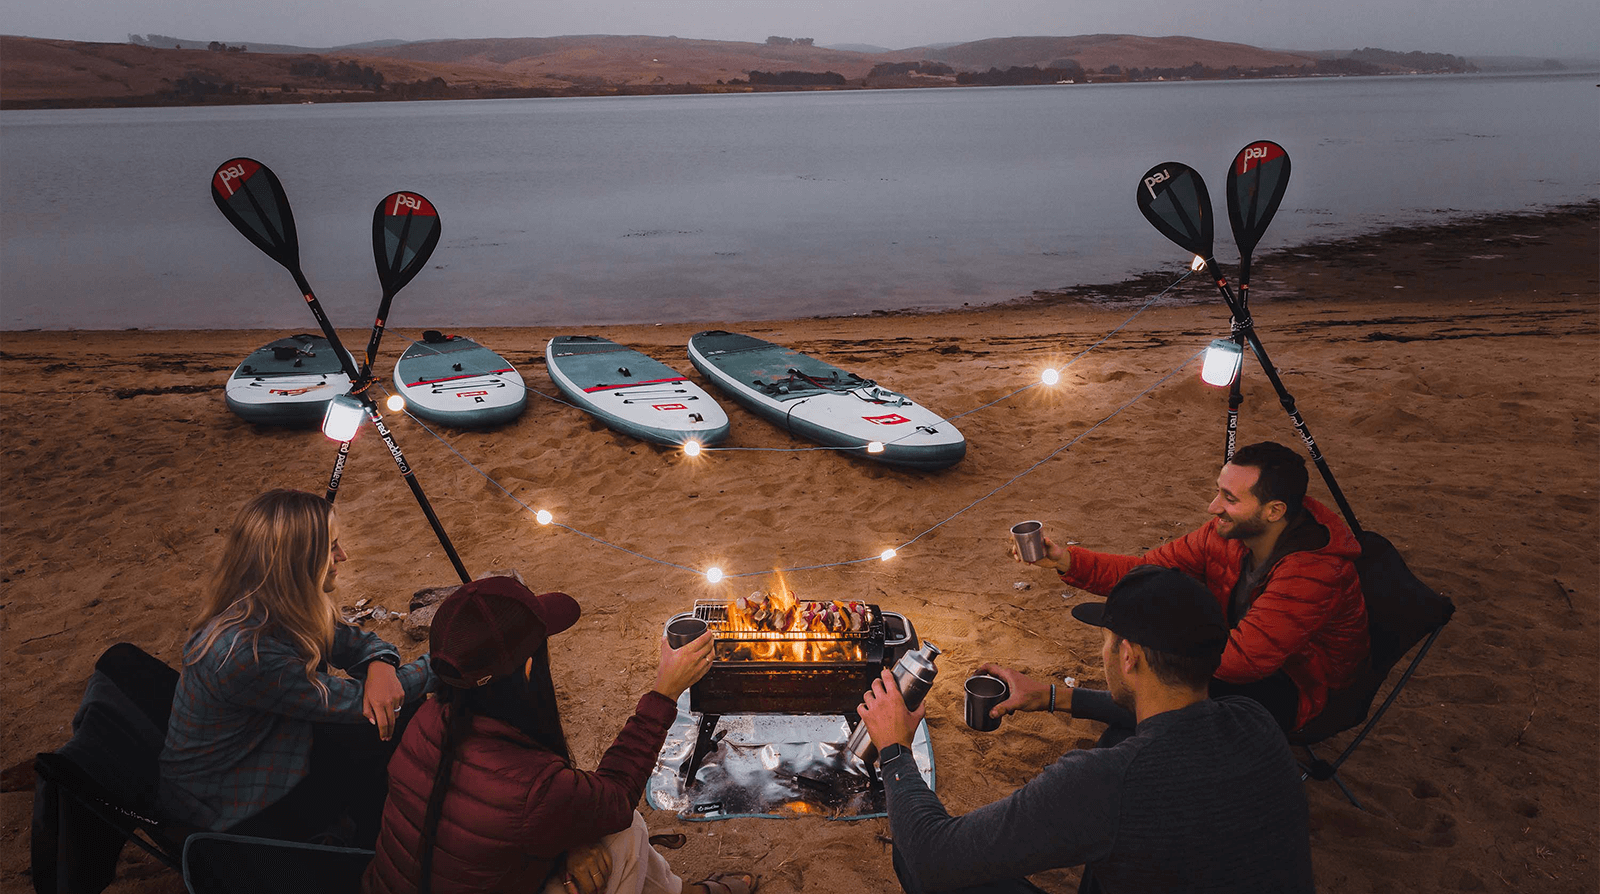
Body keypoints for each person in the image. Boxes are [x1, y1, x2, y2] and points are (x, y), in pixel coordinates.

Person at [859, 565, 1315, 894]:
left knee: (914, 856)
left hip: (1108, 806)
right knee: (1121, 736)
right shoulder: (1255, 720)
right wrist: (1055, 697)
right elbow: (1169, 719)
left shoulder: (1105, 781)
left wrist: (895, 750)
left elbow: (931, 855)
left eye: (1107, 640)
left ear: (1128, 656)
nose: (1104, 651)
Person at [362, 576, 758, 894]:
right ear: (528, 669)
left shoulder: (427, 718)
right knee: (622, 835)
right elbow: (616, 798)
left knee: (608, 834)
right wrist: (664, 694)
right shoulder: (533, 786)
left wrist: (565, 842)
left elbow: (491, 836)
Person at [1013, 440, 1368, 733]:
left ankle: (1066, 707)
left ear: (1274, 511)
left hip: (1298, 684)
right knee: (1154, 687)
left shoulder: (1314, 572)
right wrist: (1066, 560)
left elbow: (1243, 662)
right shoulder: (1226, 535)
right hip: (1228, 652)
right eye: (1218, 492)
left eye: (1230, 499)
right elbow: (1146, 572)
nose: (1214, 507)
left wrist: (1161, 651)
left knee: (1161, 692)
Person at [160, 489, 435, 845]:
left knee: (392, 717)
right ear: (296, 560)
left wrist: (381, 664)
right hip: (231, 801)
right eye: (331, 548)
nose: (343, 556)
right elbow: (356, 704)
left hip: (272, 743)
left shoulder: (281, 605)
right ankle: (368, 849)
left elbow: (358, 644)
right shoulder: (245, 652)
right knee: (392, 722)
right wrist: (442, 665)